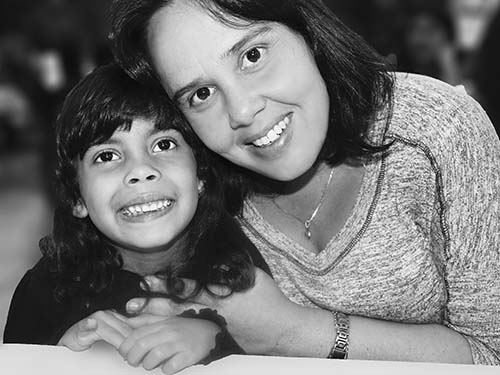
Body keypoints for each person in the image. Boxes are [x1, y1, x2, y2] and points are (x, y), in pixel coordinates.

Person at [109, 0, 500, 366]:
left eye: (252, 56)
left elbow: (493, 352)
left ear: (308, 33)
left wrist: (292, 332)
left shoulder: (438, 131)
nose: (243, 111)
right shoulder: (195, 183)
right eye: (201, 94)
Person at [3, 62, 271, 374]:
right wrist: (59, 357)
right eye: (107, 156)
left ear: (200, 176)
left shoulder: (238, 266)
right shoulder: (44, 290)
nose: (141, 171)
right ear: (77, 199)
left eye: (164, 144)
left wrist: (216, 338)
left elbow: (279, 351)